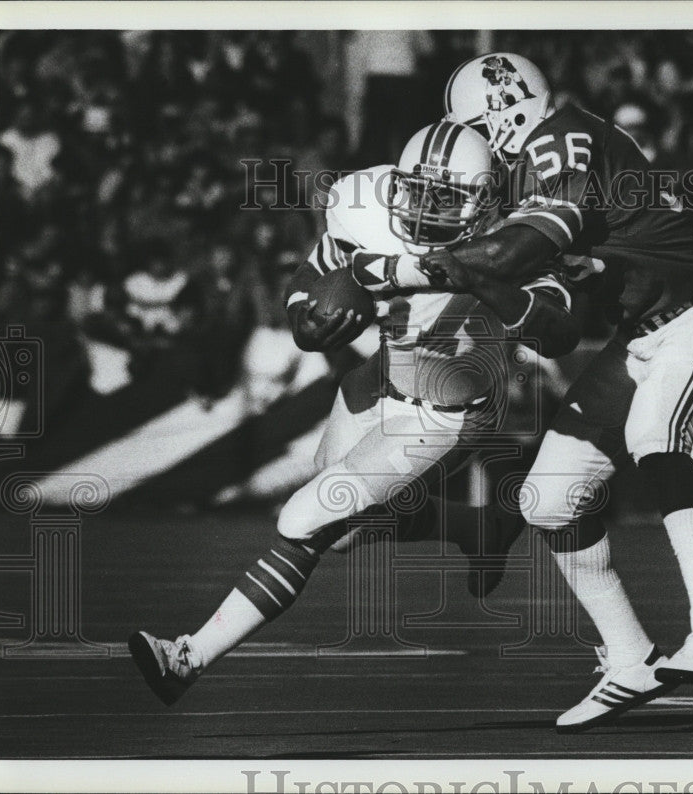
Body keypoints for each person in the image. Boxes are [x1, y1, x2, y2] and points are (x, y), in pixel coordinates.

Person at [128, 120, 579, 706]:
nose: (423, 208)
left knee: (307, 517)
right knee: (339, 532)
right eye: (417, 190)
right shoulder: (364, 205)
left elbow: (561, 330)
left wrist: (498, 284)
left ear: (485, 202)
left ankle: (185, 658)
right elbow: (311, 278)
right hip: (381, 377)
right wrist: (305, 318)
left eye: (445, 198)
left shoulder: (514, 241)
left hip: (448, 411)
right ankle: (478, 527)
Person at [412, 53, 693, 732]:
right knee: (547, 499)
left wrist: (408, 270)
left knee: (653, 436)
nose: (476, 151)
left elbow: (522, 250)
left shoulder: (560, 138)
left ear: (504, 111)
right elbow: (553, 330)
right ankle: (631, 658)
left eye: (476, 131)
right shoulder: (525, 177)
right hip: (642, 334)